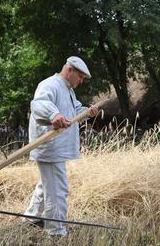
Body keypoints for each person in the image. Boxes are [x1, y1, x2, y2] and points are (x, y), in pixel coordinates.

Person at [23, 56, 98, 237]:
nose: (80, 81)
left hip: (56, 147)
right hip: (49, 146)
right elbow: (39, 104)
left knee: (47, 183)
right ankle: (56, 231)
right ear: (70, 70)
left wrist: (88, 112)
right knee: (57, 188)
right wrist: (53, 114)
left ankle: (32, 216)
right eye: (79, 77)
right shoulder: (50, 84)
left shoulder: (68, 91)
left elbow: (74, 113)